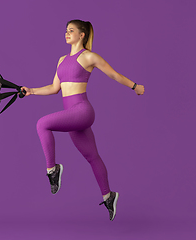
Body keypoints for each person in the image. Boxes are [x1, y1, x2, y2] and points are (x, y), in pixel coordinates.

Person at [21, 19, 145, 221]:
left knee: (42, 124)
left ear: (82, 35)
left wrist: (135, 86)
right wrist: (31, 91)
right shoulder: (61, 60)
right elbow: (54, 88)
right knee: (92, 157)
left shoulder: (88, 57)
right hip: (71, 116)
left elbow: (114, 75)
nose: (67, 33)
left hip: (82, 110)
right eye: (66, 30)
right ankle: (108, 195)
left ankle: (52, 169)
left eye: (71, 30)